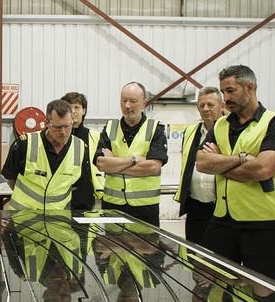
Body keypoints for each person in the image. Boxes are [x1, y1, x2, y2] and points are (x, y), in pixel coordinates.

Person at [196, 65, 275, 300]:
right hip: (223, 219)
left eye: (230, 91)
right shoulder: (220, 125)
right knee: (213, 281)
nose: (225, 98)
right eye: (223, 92)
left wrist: (220, 165)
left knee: (261, 293)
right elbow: (201, 163)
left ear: (249, 87)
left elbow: (263, 169)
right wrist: (240, 159)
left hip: (263, 223)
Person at [94, 82, 168, 226]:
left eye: (133, 101)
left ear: (144, 103)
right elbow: (101, 164)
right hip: (113, 205)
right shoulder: (110, 128)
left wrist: (114, 163)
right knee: (113, 247)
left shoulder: (155, 129)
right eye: (124, 100)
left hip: (145, 207)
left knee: (146, 247)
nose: (127, 105)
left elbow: (153, 167)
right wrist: (135, 159)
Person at [2, 99, 85, 210]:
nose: (64, 132)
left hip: (58, 219)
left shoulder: (80, 147)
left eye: (67, 126)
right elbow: (10, 179)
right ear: (46, 123)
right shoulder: (24, 144)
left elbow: (76, 184)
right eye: (58, 127)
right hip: (23, 217)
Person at [174, 87, 225, 244]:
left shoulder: (230, 131)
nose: (205, 109)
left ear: (222, 106)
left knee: (219, 258)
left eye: (210, 104)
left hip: (221, 207)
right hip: (195, 206)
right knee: (193, 255)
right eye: (201, 105)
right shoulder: (190, 131)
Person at [60, 92, 104, 210]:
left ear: (84, 110)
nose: (73, 111)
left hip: (86, 197)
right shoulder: (56, 136)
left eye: (77, 107)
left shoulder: (95, 137)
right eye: (69, 107)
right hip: (58, 196)